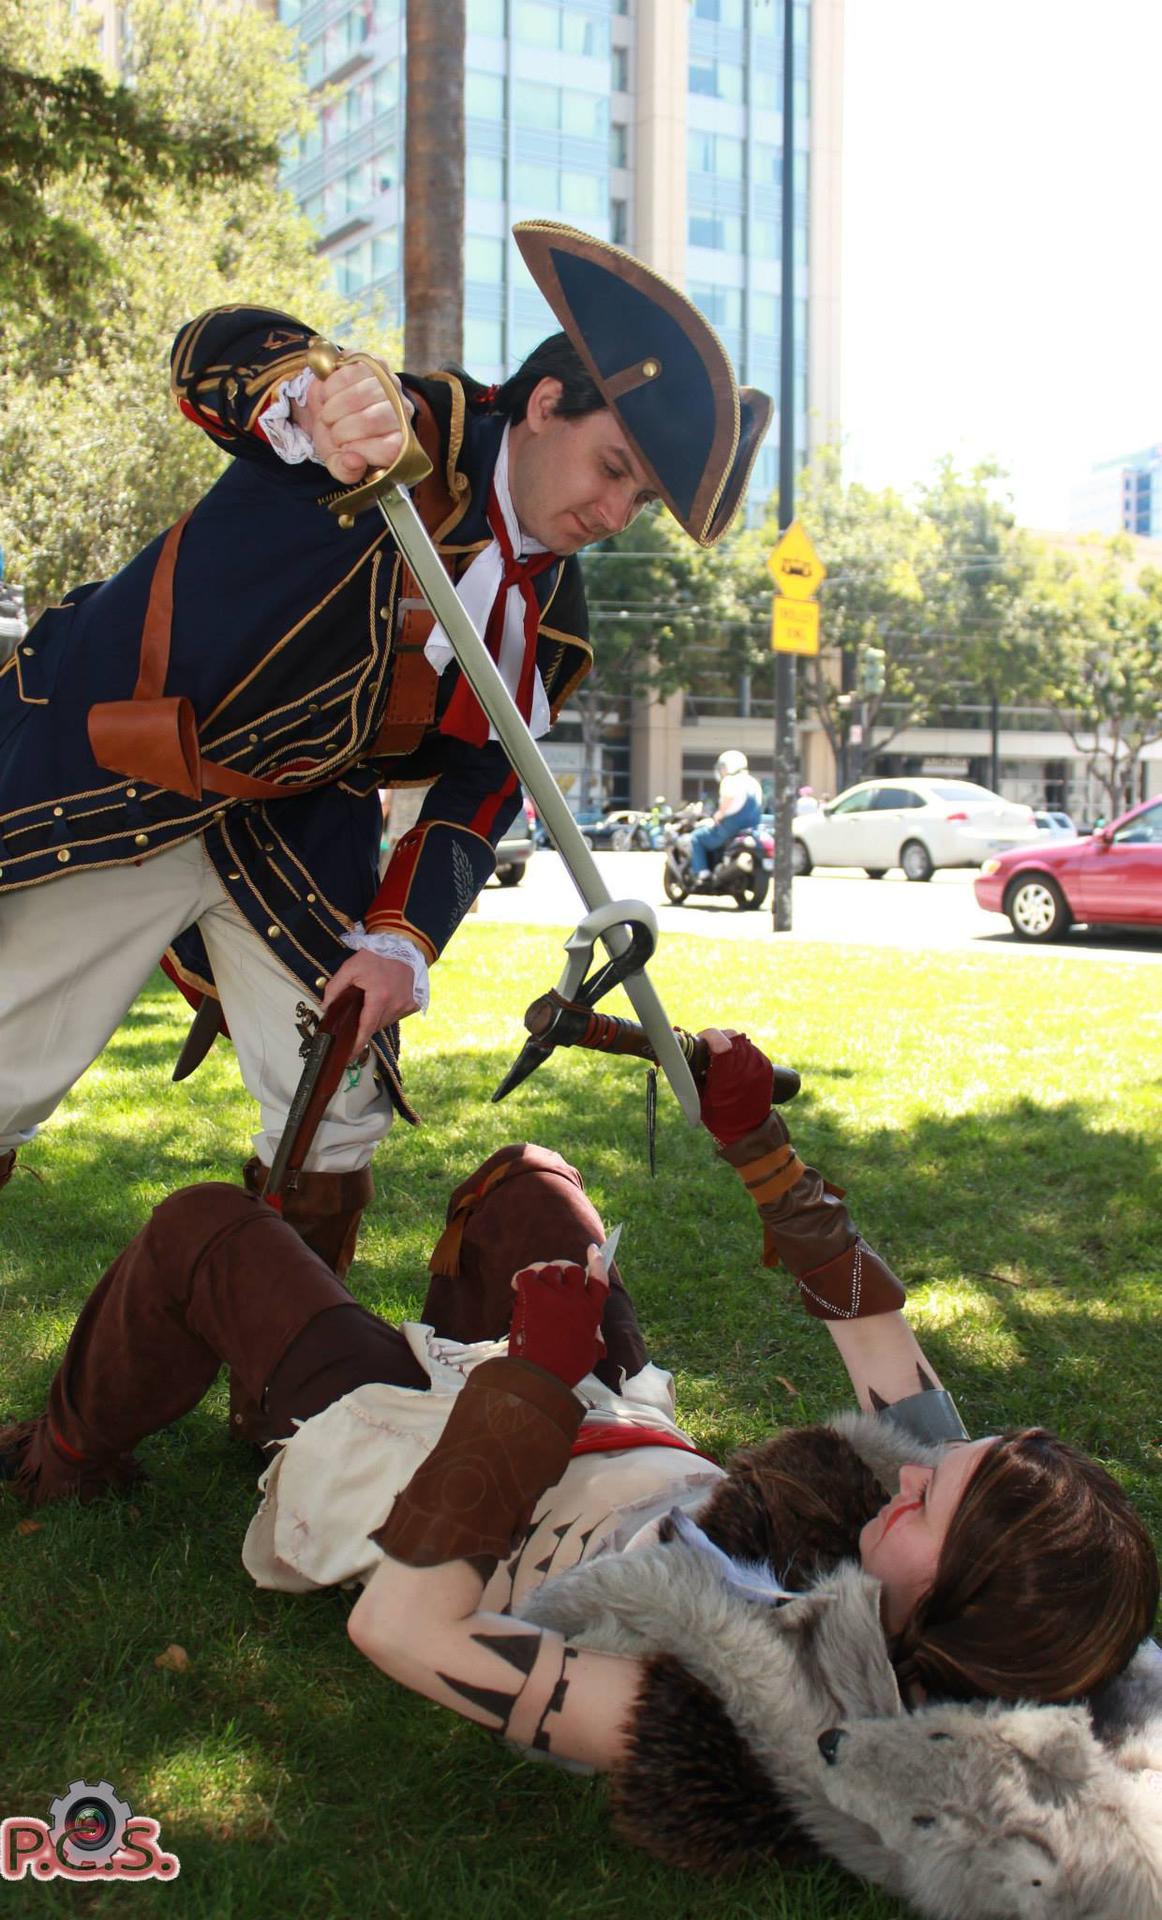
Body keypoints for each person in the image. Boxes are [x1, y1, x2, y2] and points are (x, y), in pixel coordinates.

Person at [2, 1033, 1155, 1849]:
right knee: (530, 1186)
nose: (909, 1478)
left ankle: (67, 1458)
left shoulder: (743, 1723)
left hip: (442, 1486)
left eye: (928, 1504)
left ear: (946, 1610)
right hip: (606, 1425)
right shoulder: (972, 1580)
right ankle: (371, 1354)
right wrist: (761, 1149)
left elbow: (400, 1629)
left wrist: (531, 1389)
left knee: (206, 1227)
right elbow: (873, 1330)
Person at [0, 220, 774, 1272]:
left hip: (295, 830)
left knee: (337, 1107)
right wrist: (308, 394)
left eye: (637, 499)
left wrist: (403, 940)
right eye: (612, 468)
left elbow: (486, 783)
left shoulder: (553, 626)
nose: (612, 512)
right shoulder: (399, 424)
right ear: (545, 403)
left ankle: (288, 1362)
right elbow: (213, 349)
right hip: (115, 763)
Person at [687, 749, 765, 882]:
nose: (721, 771)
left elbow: (727, 802)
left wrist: (718, 815)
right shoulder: (753, 782)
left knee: (697, 837)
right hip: (751, 828)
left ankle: (703, 873)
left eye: (722, 767)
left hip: (730, 828)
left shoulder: (730, 781)